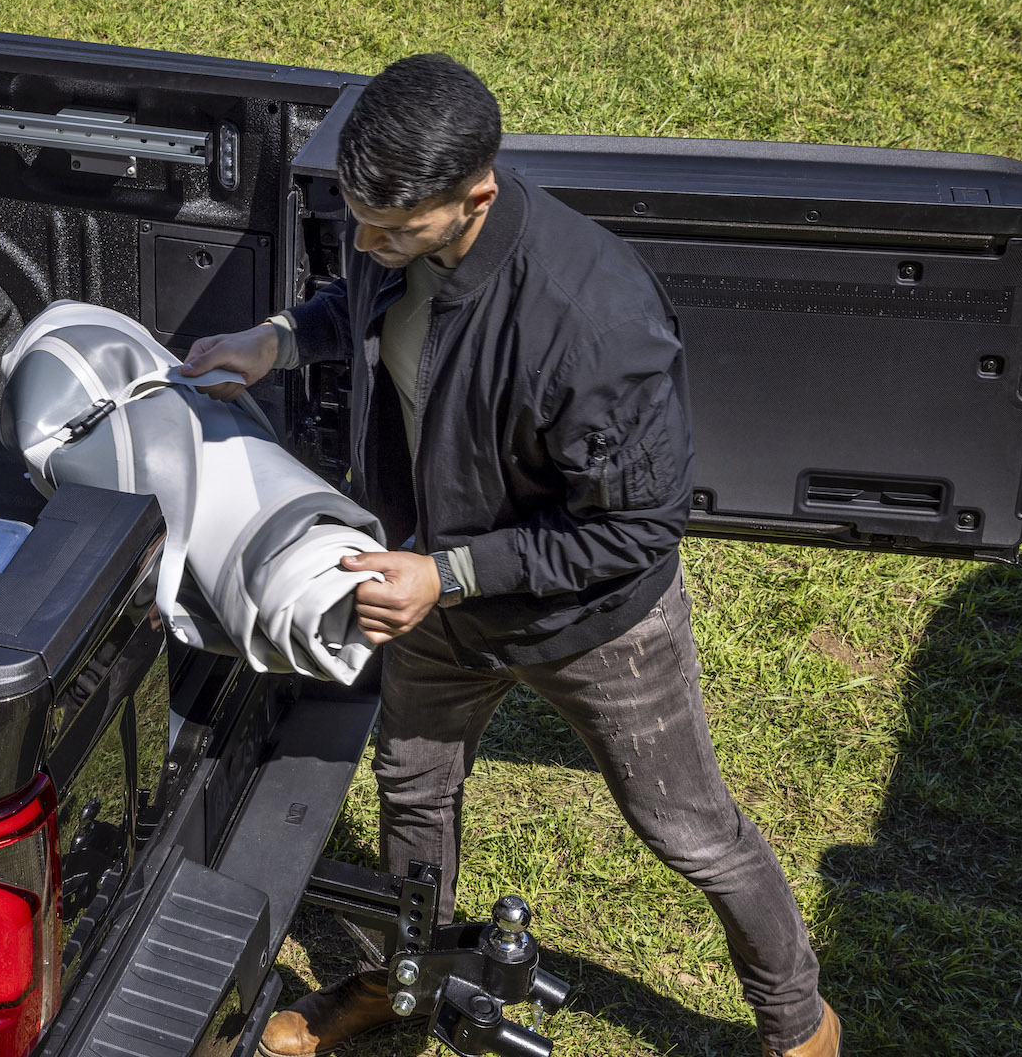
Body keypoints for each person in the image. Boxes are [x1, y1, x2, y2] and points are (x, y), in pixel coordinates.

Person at [180, 53, 842, 1057]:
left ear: (475, 197)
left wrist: (446, 574)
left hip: (593, 626)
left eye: (392, 230)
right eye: (358, 219)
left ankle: (800, 1024)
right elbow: (363, 313)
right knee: (414, 793)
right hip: (437, 603)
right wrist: (280, 338)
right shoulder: (394, 230)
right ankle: (403, 985)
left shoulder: (596, 324)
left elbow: (638, 527)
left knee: (690, 830)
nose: (366, 244)